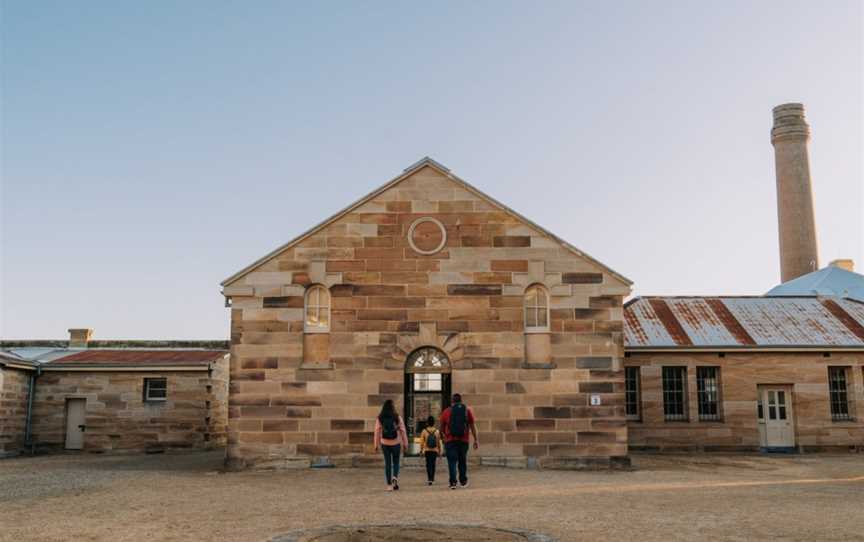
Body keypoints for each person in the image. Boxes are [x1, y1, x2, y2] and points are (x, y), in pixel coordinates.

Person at [439, 393, 478, 489]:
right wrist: (476, 440)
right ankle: (463, 481)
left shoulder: (446, 412)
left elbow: (441, 428)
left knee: (452, 461)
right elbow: (472, 426)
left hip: (450, 440)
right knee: (462, 461)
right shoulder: (467, 411)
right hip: (463, 440)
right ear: (461, 401)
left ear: (452, 401)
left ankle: (453, 482)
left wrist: (443, 438)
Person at [373, 399, 408, 491]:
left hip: (385, 443)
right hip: (396, 443)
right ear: (392, 407)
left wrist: (376, 444)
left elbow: (377, 432)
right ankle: (395, 477)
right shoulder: (397, 417)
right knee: (396, 462)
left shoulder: (380, 418)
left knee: (388, 464)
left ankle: (389, 485)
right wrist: (405, 443)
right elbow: (403, 431)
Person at [419, 415, 443, 485]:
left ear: (427, 423)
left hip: (427, 450)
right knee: (433, 464)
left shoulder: (424, 431)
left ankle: (429, 479)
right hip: (434, 450)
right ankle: (432, 478)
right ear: (434, 423)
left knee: (428, 464)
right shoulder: (437, 431)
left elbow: (421, 442)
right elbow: (439, 442)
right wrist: (440, 451)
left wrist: (421, 450)